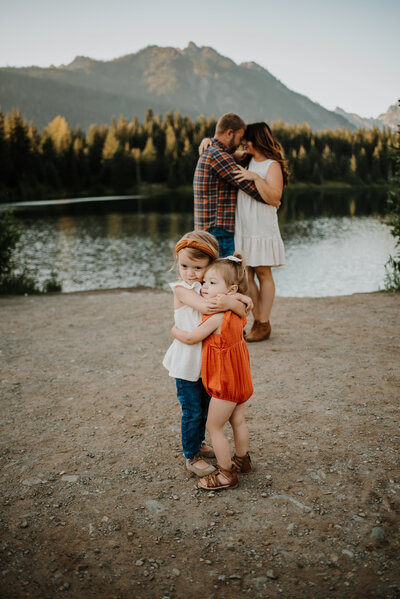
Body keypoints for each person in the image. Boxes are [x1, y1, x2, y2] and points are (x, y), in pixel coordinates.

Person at [163, 231, 252, 477]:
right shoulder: (182, 288)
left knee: (205, 406)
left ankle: (199, 442)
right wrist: (239, 299)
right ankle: (191, 455)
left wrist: (238, 298)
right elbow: (210, 307)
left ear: (209, 266)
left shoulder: (206, 286)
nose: (190, 273)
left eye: (197, 267)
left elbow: (227, 305)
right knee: (192, 410)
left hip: (205, 362)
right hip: (186, 359)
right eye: (184, 266)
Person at [233, 122, 289, 342]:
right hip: (245, 225)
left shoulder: (271, 165)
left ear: (257, 140)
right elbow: (223, 151)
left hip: (262, 225)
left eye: (247, 139)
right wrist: (206, 141)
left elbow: (275, 198)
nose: (243, 142)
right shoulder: (245, 159)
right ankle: (259, 321)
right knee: (246, 274)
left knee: (263, 272)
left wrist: (255, 178)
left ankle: (263, 323)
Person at [193, 112, 266, 258]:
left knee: (215, 279)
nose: (240, 143)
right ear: (229, 133)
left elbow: (239, 156)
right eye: (240, 138)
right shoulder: (219, 156)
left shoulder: (212, 151)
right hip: (218, 231)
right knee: (227, 278)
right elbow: (252, 189)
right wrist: (271, 194)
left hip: (208, 230)